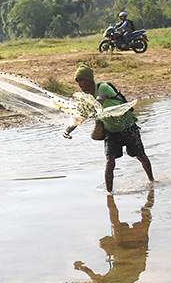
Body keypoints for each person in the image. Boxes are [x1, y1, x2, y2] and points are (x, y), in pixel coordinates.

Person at [62, 64, 153, 192]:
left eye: (82, 80)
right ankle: (109, 193)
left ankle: (152, 181)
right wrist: (68, 130)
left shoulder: (103, 87)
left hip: (127, 127)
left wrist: (95, 105)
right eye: (77, 81)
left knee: (140, 155)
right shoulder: (85, 98)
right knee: (110, 161)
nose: (80, 83)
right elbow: (79, 116)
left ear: (90, 80)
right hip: (111, 131)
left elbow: (100, 99)